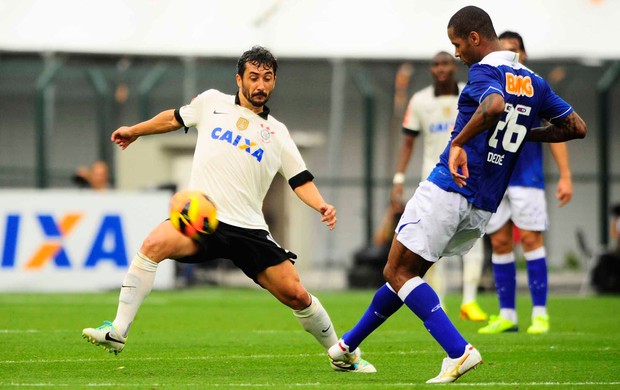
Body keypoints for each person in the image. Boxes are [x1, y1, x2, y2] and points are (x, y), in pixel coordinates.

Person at [327, 5, 586, 383]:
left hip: (449, 187)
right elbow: (576, 127)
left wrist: (460, 142)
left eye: (457, 44)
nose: (456, 54)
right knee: (410, 273)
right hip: (483, 203)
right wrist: (526, 134)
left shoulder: (484, 71)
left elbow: (494, 105)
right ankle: (346, 347)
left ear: (475, 38)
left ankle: (458, 351)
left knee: (396, 269)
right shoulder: (534, 82)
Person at [82, 46, 374, 372]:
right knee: (152, 246)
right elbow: (174, 118)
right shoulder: (211, 103)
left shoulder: (277, 133)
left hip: (248, 229)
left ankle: (342, 355)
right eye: (253, 77)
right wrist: (135, 131)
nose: (260, 84)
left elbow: (300, 179)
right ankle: (117, 332)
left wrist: (322, 205)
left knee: (296, 295)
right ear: (239, 79)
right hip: (203, 220)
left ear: (274, 81)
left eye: (267, 78)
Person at [479, 31, 573, 335]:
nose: (509, 55)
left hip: (527, 176)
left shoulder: (534, 86)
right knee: (500, 242)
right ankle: (507, 314)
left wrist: (566, 175)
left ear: (524, 54)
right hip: (495, 176)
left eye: (514, 50)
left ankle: (540, 314)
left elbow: (558, 127)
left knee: (531, 240)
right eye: (504, 50)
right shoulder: (490, 84)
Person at [392, 51, 487, 322]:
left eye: (446, 63)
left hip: (470, 175)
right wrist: (399, 177)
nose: (441, 68)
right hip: (436, 180)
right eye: (436, 64)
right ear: (431, 69)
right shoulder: (419, 100)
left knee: (474, 238)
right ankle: (440, 303)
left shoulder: (469, 94)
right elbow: (408, 141)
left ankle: (469, 301)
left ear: (454, 67)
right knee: (432, 244)